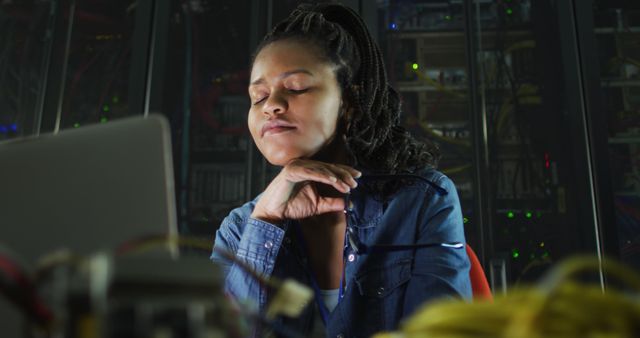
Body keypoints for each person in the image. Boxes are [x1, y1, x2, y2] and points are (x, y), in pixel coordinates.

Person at [211, 3, 471, 337]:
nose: (272, 104)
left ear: (348, 102)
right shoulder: (239, 230)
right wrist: (265, 222)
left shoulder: (422, 201)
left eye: (297, 87)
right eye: (258, 96)